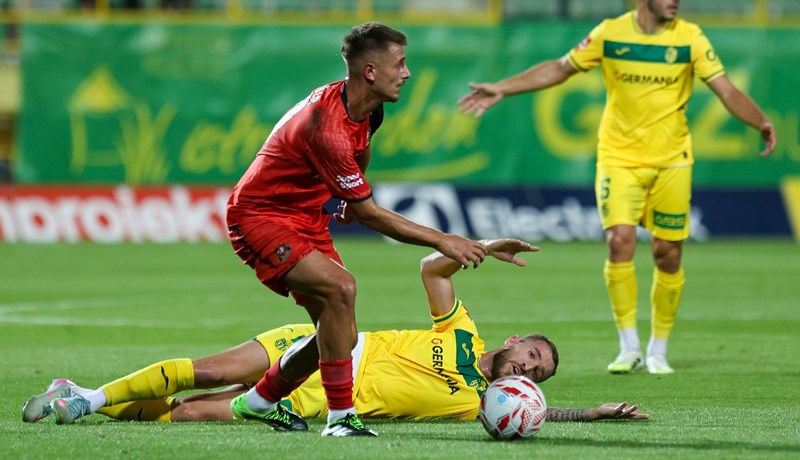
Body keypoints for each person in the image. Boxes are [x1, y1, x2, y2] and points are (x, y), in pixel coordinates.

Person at [458, 0, 777, 375]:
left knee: (668, 254)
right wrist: (503, 88)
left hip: (672, 161)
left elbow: (725, 89)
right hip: (618, 158)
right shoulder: (610, 33)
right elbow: (560, 69)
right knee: (619, 241)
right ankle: (630, 347)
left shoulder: (690, 38)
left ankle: (658, 349)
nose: (675, 1)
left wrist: (760, 121)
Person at [22, 239, 649, 426]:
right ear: (510, 340)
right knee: (213, 370)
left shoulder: (473, 407)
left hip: (320, 400)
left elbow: (545, 415)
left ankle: (85, 399)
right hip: (321, 343)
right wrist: (475, 249)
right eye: (531, 355)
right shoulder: (460, 333)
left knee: (188, 416)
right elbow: (431, 267)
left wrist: (587, 415)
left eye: (536, 374)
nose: (528, 371)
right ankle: (89, 397)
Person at [223, 22, 488, 437]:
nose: (407, 73)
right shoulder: (325, 126)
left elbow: (360, 151)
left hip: (307, 216)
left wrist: (346, 193)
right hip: (261, 216)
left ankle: (260, 400)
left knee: (339, 339)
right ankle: (341, 418)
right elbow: (371, 216)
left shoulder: (367, 108)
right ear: (369, 71)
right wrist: (443, 239)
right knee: (342, 288)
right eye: (399, 63)